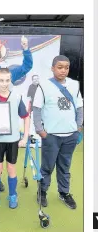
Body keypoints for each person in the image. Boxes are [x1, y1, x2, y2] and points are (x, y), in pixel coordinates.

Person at [32, 55, 83, 210]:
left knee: (65, 166)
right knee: (47, 167)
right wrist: (40, 130)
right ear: (52, 68)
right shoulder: (43, 86)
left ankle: (64, 193)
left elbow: (80, 107)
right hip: (51, 136)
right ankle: (42, 191)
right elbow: (37, 109)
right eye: (59, 67)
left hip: (70, 135)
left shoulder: (74, 85)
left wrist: (78, 127)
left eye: (66, 67)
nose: (63, 70)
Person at [0, 68, 30, 209]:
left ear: (10, 80)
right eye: (1, 80)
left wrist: (25, 137)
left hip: (12, 141)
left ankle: (12, 195)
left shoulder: (16, 97)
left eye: (7, 80)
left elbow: (25, 117)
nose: (4, 83)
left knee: (11, 169)